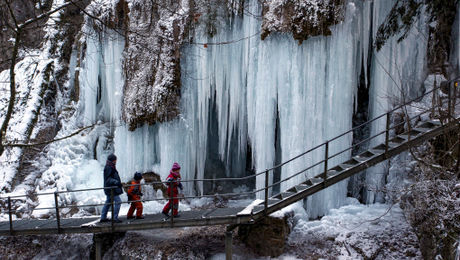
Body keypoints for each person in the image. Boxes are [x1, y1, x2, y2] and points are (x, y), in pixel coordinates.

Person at [100, 154, 123, 223]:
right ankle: (114, 218)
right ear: (113, 160)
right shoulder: (109, 167)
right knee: (118, 202)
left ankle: (103, 217)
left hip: (110, 188)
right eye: (115, 160)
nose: (116, 161)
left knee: (108, 202)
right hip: (111, 189)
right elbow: (108, 179)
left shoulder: (110, 166)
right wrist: (116, 182)